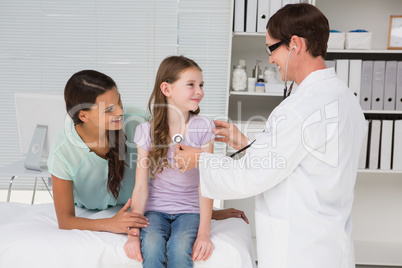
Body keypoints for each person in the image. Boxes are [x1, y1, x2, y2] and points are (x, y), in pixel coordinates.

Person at [174, 3, 366, 268]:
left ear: (295, 44)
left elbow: (251, 176)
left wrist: (200, 159)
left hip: (299, 249)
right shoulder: (346, 99)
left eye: (272, 48)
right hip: (330, 243)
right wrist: (243, 143)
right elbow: (301, 160)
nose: (270, 59)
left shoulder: (301, 107)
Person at [48, 70, 248, 236]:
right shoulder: (63, 151)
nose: (119, 112)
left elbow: (176, 167)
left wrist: (207, 212)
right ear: (83, 115)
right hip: (93, 210)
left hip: (149, 207)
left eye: (119, 102)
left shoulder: (138, 121)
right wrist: (109, 223)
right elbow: (65, 220)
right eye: (109, 109)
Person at [124, 56, 217, 267]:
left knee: (180, 246)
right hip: (155, 210)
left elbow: (207, 183)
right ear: (167, 89)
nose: (199, 91)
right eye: (191, 85)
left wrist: (204, 233)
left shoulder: (203, 127)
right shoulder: (145, 131)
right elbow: (140, 186)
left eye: (201, 85)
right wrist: (133, 232)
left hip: (190, 210)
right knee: (153, 244)